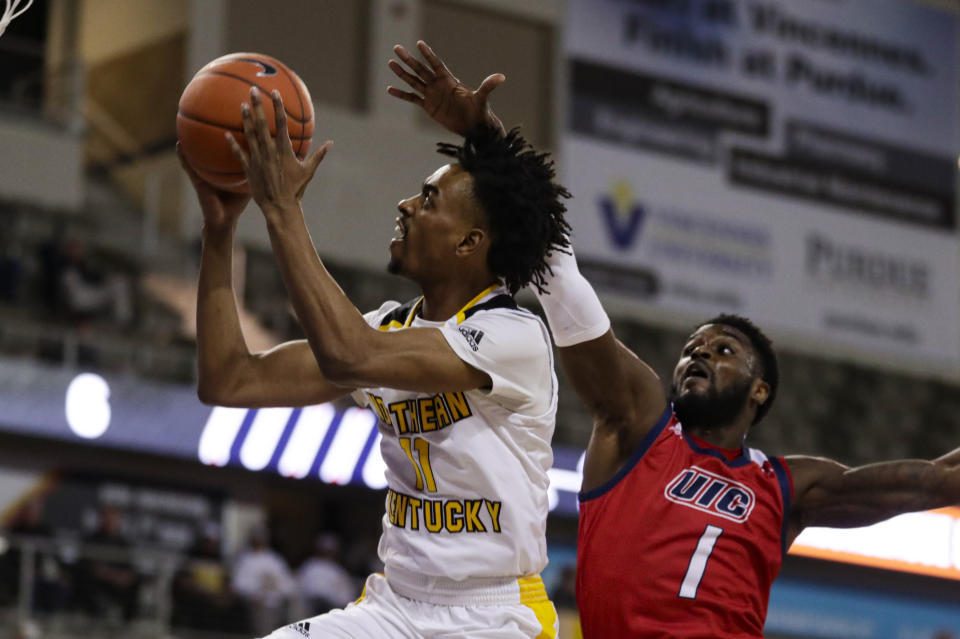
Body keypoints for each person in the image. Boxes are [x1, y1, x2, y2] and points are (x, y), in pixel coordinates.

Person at [397, 46, 960, 638]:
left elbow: (936, 480)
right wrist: (486, 138)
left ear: (759, 391)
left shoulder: (789, 485)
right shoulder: (638, 425)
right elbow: (560, 281)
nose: (699, 355)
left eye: (723, 351)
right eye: (694, 347)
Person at [180, 40, 570, 638]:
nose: (406, 204)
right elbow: (230, 379)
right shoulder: (391, 326)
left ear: (470, 242)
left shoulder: (512, 337)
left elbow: (349, 356)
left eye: (429, 198)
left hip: (492, 616)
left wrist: (283, 209)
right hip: (394, 607)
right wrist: (220, 230)